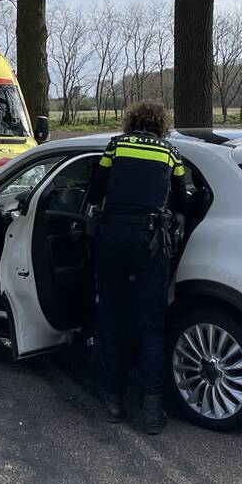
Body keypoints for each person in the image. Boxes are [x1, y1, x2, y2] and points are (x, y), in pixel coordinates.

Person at [85, 101, 187, 435]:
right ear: (161, 125)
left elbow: (95, 189)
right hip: (151, 242)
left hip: (113, 238)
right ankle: (152, 411)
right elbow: (182, 202)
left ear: (132, 122)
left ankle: (114, 402)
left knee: (112, 317)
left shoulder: (116, 146)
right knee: (151, 324)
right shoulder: (170, 154)